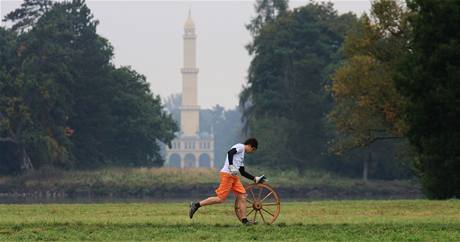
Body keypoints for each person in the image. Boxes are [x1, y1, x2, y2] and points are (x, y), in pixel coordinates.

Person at [189, 138, 265, 225]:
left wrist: (255, 178)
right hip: (227, 175)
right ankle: (196, 205)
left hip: (234, 177)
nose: (251, 152)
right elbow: (230, 152)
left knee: (243, 196)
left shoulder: (242, 155)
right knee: (220, 199)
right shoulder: (240, 147)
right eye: (252, 150)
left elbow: (242, 172)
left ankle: (245, 221)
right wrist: (231, 166)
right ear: (251, 146)